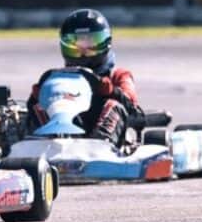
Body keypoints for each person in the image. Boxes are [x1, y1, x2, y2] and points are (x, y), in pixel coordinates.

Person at [25, 8, 139, 145]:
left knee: (113, 105)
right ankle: (41, 144)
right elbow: (31, 107)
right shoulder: (57, 79)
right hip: (60, 135)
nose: (83, 52)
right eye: (76, 45)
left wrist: (109, 91)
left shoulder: (118, 75)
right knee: (39, 107)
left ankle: (101, 148)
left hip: (101, 136)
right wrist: (40, 94)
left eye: (90, 44)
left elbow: (135, 113)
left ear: (105, 42)